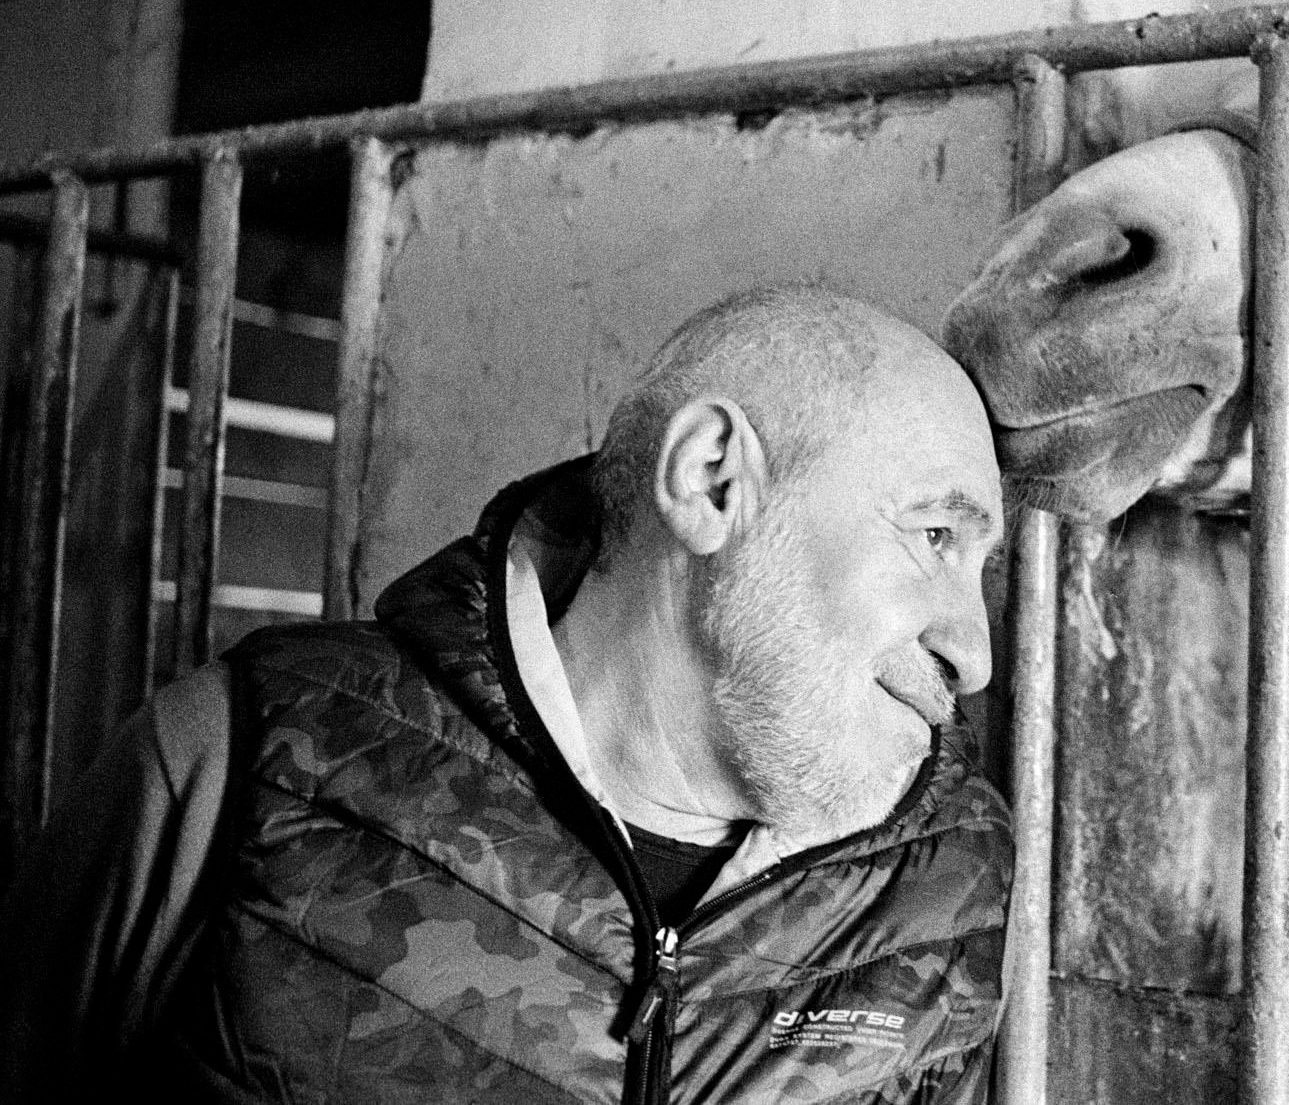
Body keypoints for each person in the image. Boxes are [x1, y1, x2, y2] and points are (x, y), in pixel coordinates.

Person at [0, 286, 1014, 1103]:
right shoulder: (246, 759)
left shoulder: (948, 880)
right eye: (934, 536)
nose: (974, 655)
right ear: (712, 480)